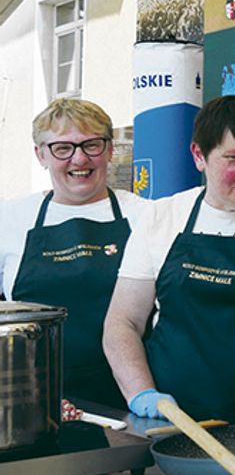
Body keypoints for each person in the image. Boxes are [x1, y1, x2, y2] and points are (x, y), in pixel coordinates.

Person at [103, 95, 235, 422]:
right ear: (199, 156)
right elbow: (123, 322)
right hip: (174, 423)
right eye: (234, 158)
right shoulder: (161, 217)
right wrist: (141, 394)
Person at [0, 98, 150, 410]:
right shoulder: (10, 218)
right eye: (62, 148)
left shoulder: (146, 216)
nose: (79, 159)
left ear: (109, 150)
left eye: (91, 145)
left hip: (130, 395)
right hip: (30, 399)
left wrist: (144, 395)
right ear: (41, 154)